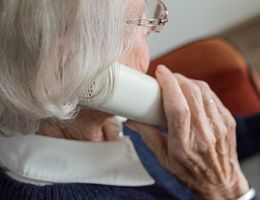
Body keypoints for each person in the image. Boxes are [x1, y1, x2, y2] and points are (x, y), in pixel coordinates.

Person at [0, 0, 259, 199]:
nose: (155, 29)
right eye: (141, 23)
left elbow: (210, 139)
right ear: (70, 68)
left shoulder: (107, 118)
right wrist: (226, 188)